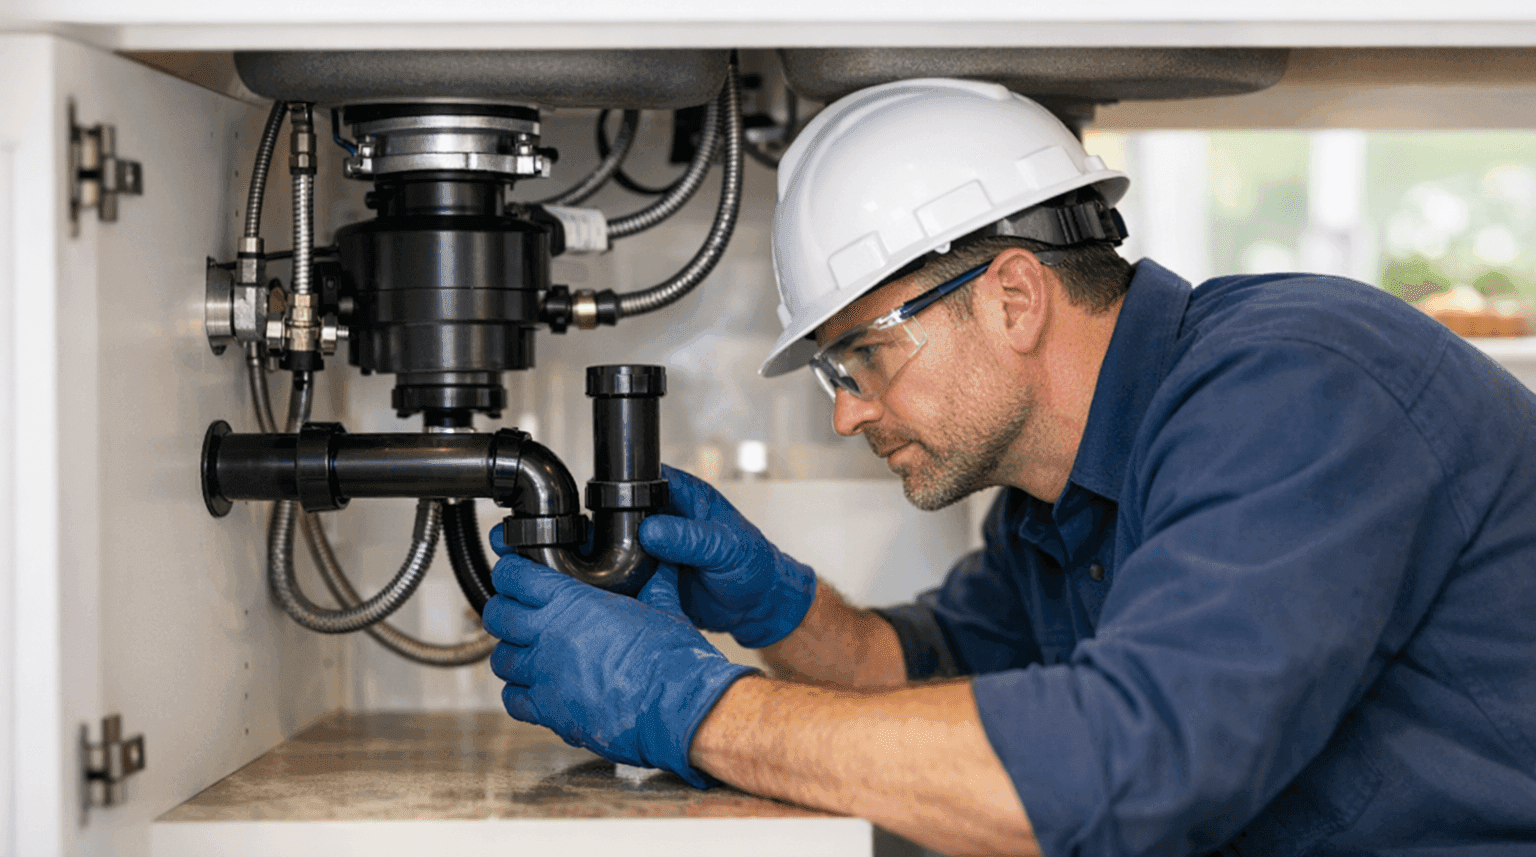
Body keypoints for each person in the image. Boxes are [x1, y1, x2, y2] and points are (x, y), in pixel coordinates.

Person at [482, 79, 1536, 856]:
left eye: (864, 355)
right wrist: (777, 606)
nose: (848, 411)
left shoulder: (1295, 388)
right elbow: (933, 673)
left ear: (1014, 298)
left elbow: (1130, 766)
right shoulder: (1056, 497)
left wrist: (692, 706)